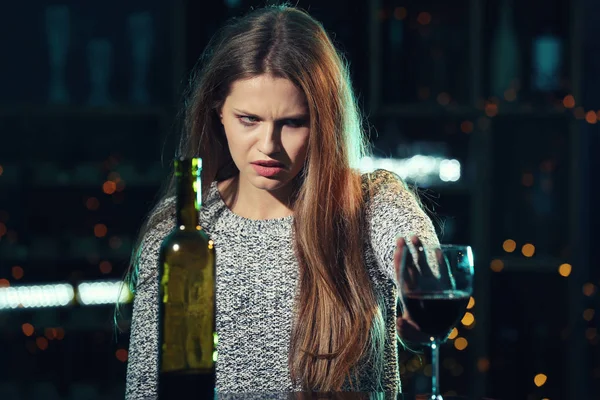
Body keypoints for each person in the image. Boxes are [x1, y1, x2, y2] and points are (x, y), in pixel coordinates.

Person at [124, 4, 439, 398]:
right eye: (249, 119)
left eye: (292, 123)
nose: (268, 146)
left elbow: (417, 250)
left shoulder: (369, 203)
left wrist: (421, 285)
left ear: (323, 124)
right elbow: (144, 387)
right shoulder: (181, 229)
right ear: (218, 112)